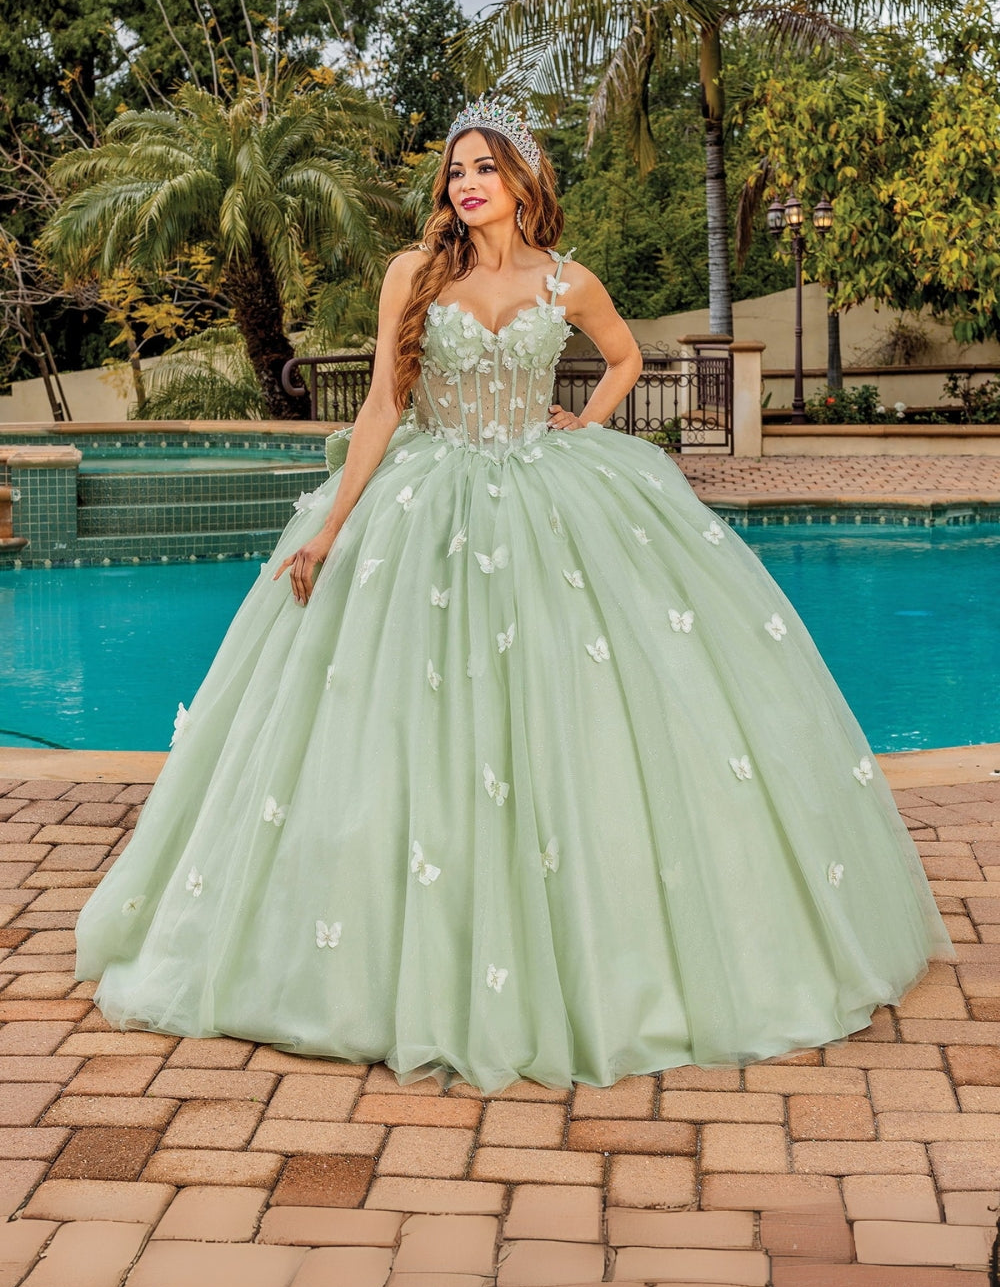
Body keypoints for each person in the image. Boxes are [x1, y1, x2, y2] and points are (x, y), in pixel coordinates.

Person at [75, 96, 954, 1095]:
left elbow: (627, 357)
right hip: (427, 502)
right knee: (406, 719)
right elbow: (383, 403)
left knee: (568, 710)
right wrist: (330, 526)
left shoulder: (567, 280)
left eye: (485, 167)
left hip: (549, 495)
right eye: (456, 170)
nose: (466, 183)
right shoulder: (414, 273)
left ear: (525, 182)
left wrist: (589, 420)